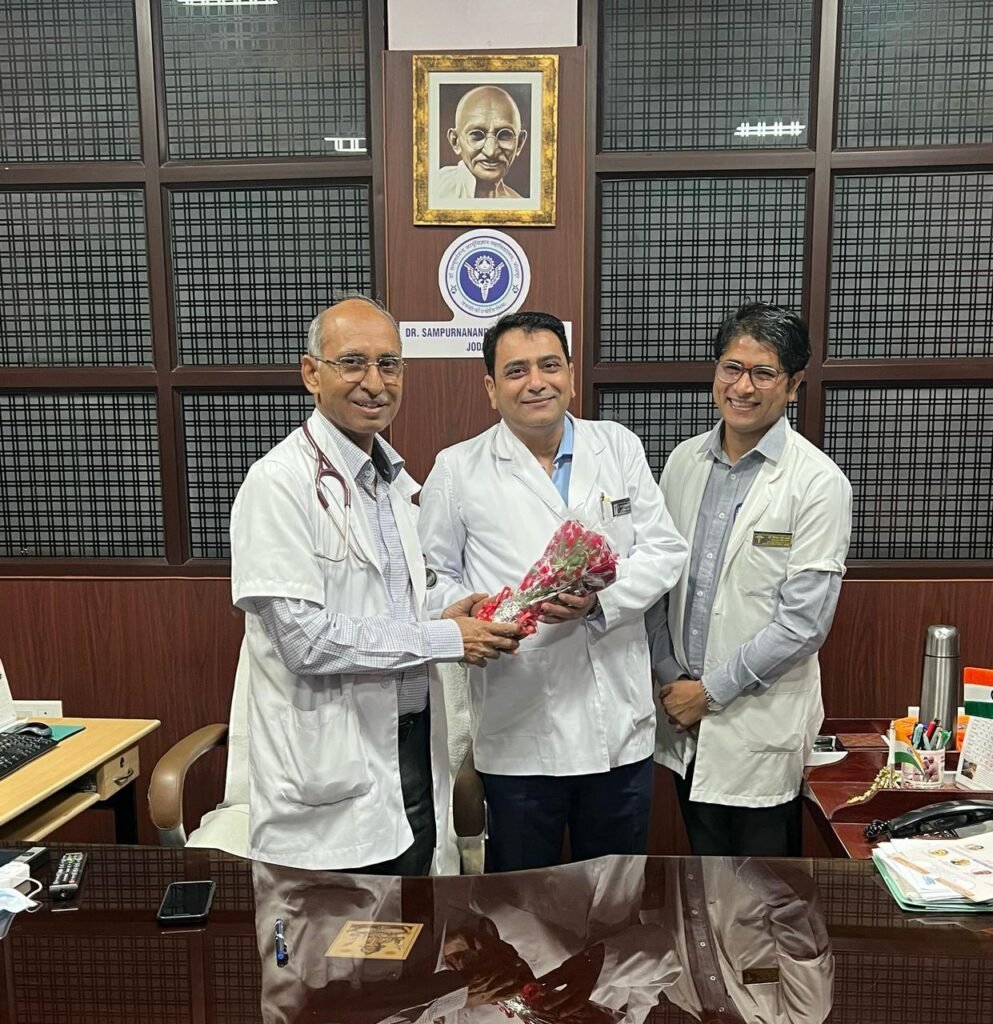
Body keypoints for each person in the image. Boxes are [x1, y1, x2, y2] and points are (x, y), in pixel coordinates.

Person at [229, 296, 523, 874]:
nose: (374, 382)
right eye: (352, 363)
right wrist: (444, 639)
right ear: (311, 373)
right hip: (328, 769)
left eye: (389, 364)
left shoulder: (391, 484)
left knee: (407, 918)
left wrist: (448, 614)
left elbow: (387, 606)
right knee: (334, 927)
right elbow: (304, 641)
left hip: (408, 750)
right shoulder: (278, 483)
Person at [418, 311, 688, 872]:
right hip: (519, 730)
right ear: (491, 388)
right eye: (516, 370)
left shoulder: (617, 446)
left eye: (549, 365)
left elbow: (665, 550)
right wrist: (469, 615)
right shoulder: (457, 468)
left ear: (570, 374)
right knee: (520, 905)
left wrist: (600, 602)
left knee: (614, 896)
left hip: (619, 729)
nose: (536, 382)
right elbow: (432, 576)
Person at [647, 302, 852, 857]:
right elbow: (657, 582)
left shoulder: (817, 482)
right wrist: (671, 679)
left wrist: (707, 693)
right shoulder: (683, 462)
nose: (742, 387)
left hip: (756, 724)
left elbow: (803, 624)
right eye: (731, 368)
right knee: (705, 880)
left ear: (794, 385)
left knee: (765, 891)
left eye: (763, 373)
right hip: (683, 716)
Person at [436, 85, 528, 200]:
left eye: (504, 135)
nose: (491, 151)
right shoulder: (434, 189)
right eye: (477, 136)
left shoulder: (520, 204)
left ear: (519, 143)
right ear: (455, 141)